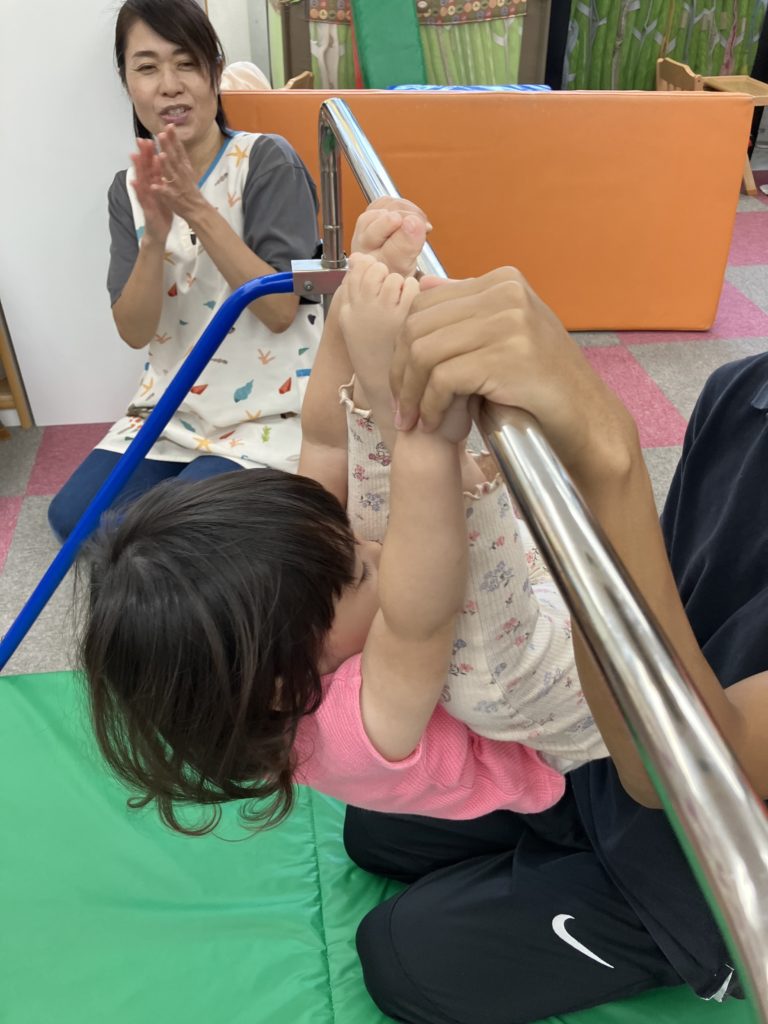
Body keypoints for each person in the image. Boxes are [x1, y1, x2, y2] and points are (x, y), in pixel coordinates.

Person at [342, 267, 758, 1022]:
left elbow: (677, 772)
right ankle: (561, 841)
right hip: (610, 744)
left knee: (399, 953)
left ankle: (677, 943)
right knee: (372, 828)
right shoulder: (742, 395)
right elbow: (660, 589)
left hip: (711, 851)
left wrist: (606, 454)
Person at [299, 251, 605, 773]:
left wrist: (355, 294)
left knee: (372, 522)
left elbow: (323, 444)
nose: (374, 547)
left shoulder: (290, 633)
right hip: (576, 717)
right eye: (361, 570)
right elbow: (421, 617)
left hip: (524, 610)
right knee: (470, 671)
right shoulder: (353, 729)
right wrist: (387, 391)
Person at [47, 0, 322, 542]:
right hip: (171, 409)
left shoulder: (267, 160)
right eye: (147, 68)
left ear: (214, 72)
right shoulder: (127, 190)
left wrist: (195, 208)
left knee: (168, 536)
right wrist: (153, 237)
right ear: (127, 83)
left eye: (187, 63)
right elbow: (135, 331)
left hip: (272, 411)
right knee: (73, 519)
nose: (169, 86)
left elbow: (278, 309)